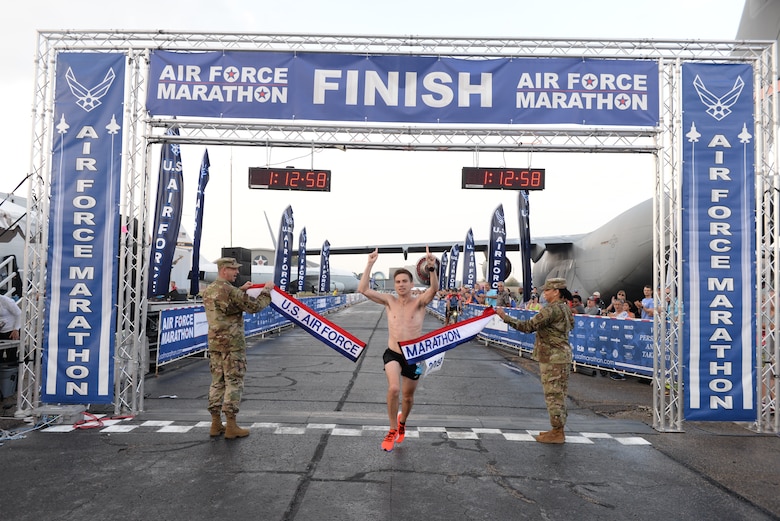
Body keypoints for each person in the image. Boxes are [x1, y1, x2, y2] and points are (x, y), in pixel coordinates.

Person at [358, 247, 438, 452]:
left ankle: (402, 423)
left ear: (412, 284)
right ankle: (392, 428)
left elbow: (433, 290)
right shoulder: (389, 301)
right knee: (393, 389)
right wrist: (370, 263)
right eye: (398, 282)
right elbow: (363, 290)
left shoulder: (419, 302)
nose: (401, 285)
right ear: (394, 285)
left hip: (414, 356)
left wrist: (432, 269)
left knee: (408, 398)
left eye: (405, 281)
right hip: (392, 353)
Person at [494, 277, 574, 444]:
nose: (544, 293)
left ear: (556, 292)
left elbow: (528, 326)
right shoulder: (565, 308)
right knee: (558, 394)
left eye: (547, 290)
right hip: (561, 356)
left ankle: (558, 432)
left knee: (553, 395)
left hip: (553, 357)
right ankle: (557, 429)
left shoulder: (551, 310)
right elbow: (570, 325)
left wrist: (505, 317)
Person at [202, 257, 272, 440]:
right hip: (232, 345)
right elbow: (254, 306)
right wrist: (267, 292)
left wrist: (241, 290)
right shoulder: (230, 291)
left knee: (217, 382)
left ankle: (215, 423)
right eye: (234, 269)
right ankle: (231, 425)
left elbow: (227, 303)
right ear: (224, 269)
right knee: (234, 381)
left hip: (215, 344)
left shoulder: (209, 290)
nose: (237, 272)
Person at [0, 294, 21, 363]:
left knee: (11, 355)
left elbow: (19, 313)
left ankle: (12, 372)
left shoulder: (6, 300)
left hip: (11, 330)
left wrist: (16, 329)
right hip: (1, 329)